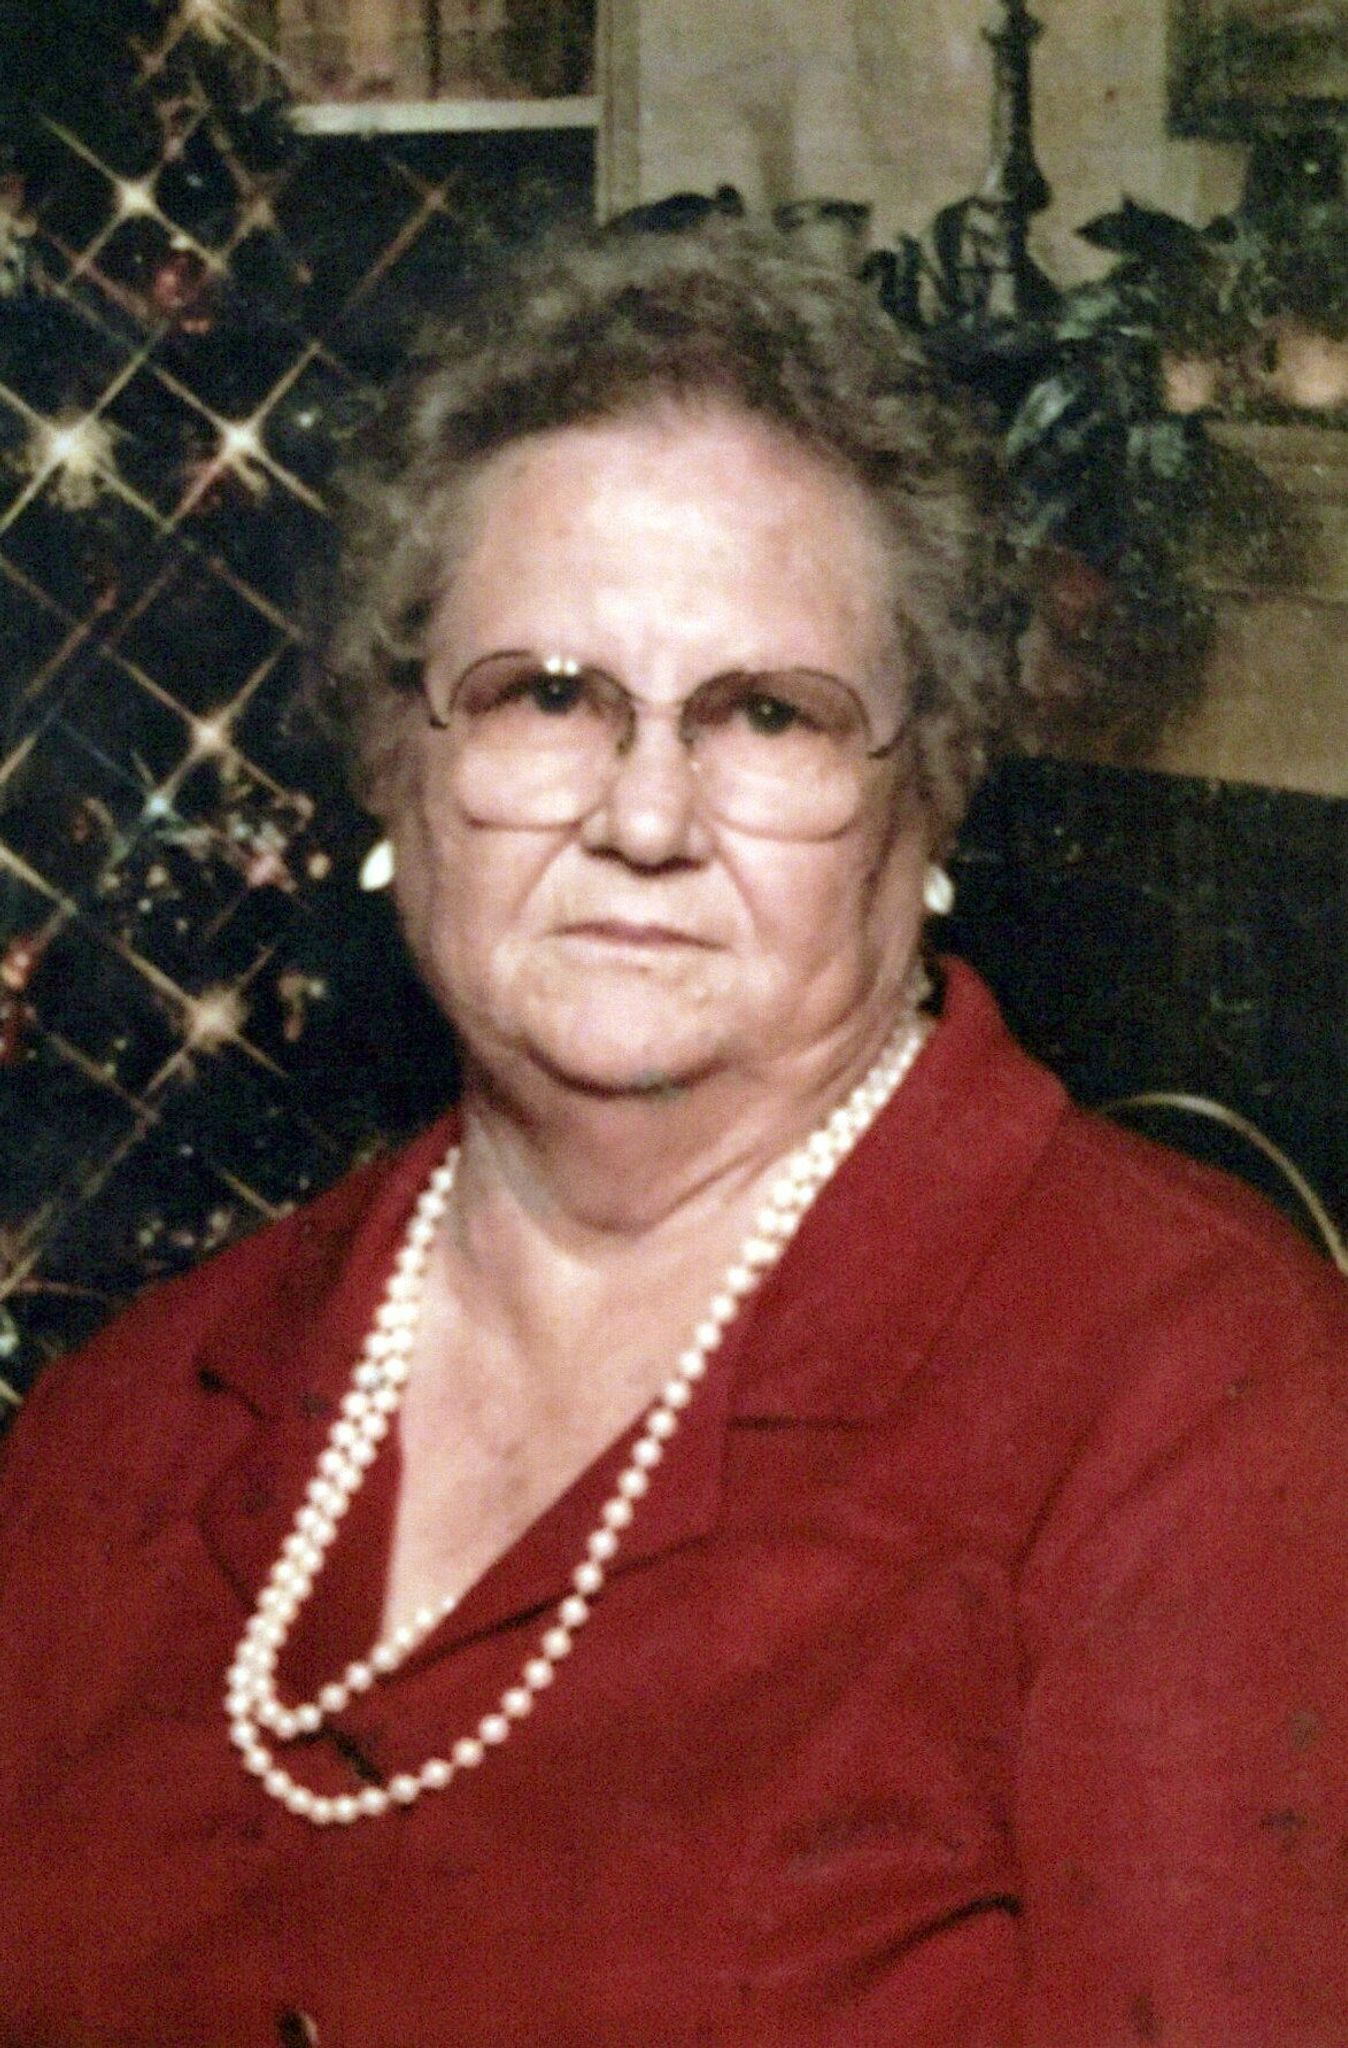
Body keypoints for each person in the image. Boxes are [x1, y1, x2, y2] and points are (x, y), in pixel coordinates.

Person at [0, 221, 1344, 2048]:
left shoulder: (1201, 1402)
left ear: (928, 801)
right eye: (547, 695)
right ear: (398, 761)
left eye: (768, 715)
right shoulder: (128, 1427)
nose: (644, 818)